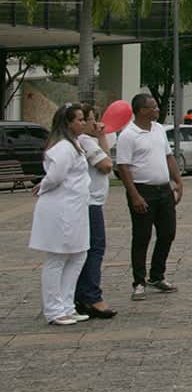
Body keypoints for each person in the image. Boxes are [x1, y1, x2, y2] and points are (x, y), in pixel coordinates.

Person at [29, 104, 91, 326]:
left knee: (78, 255)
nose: (83, 123)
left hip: (75, 207)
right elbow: (55, 176)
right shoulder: (63, 148)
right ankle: (54, 310)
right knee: (58, 257)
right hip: (61, 209)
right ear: (67, 123)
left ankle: (67, 305)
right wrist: (43, 185)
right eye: (80, 119)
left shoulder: (75, 144)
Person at [117, 93, 183, 301]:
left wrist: (177, 180)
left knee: (167, 233)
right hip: (142, 190)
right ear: (141, 110)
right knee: (142, 237)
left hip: (163, 190)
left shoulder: (158, 129)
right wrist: (134, 195)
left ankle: (157, 275)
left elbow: (168, 156)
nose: (157, 109)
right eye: (153, 107)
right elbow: (124, 167)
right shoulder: (128, 135)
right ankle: (139, 281)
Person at [74, 105, 117, 319]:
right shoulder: (85, 141)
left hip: (92, 202)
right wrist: (101, 137)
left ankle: (82, 295)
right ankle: (91, 296)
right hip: (90, 203)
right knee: (94, 249)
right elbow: (107, 165)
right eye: (87, 119)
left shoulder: (88, 141)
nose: (92, 123)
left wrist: (102, 137)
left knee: (88, 250)